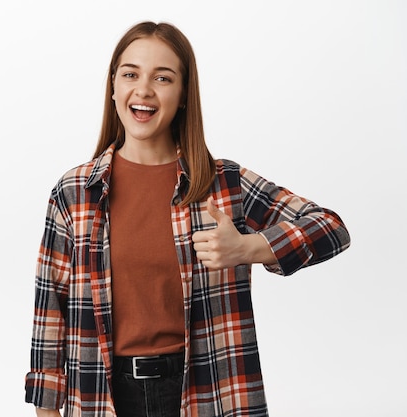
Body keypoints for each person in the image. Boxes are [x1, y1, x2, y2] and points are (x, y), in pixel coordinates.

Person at [24, 21, 350, 417]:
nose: (143, 90)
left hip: (206, 390)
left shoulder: (223, 184)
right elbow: (50, 309)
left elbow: (330, 227)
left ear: (182, 96)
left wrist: (249, 248)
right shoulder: (74, 192)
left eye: (162, 78)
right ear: (113, 88)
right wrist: (45, 410)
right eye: (130, 74)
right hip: (100, 394)